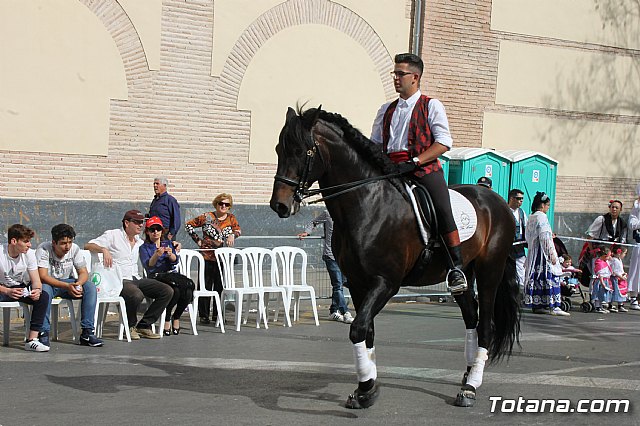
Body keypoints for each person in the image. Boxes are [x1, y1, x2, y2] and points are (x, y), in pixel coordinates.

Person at [370, 52, 466, 294]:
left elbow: (444, 142)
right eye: (395, 73)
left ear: (415, 77)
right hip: (391, 169)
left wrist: (415, 161)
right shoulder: (386, 109)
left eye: (400, 74)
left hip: (423, 169)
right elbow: (374, 144)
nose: (396, 78)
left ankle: (456, 267)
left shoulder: (431, 105)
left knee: (442, 207)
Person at [84, 210, 174, 339]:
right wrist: (103, 250)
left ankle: (144, 325)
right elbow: (88, 245)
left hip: (136, 278)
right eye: (137, 222)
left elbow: (156, 244)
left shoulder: (139, 242)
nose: (140, 225)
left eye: (142, 222)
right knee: (136, 294)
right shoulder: (113, 235)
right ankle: (130, 326)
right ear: (127, 223)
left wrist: (174, 245)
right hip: (119, 280)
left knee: (167, 291)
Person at [36, 224, 103, 347]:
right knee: (44, 290)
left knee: (90, 287)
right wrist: (67, 286)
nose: (67, 247)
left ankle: (87, 332)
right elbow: (43, 276)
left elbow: (83, 272)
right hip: (49, 283)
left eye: (70, 242)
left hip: (68, 282)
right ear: (54, 243)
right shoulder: (44, 249)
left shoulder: (74, 249)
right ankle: (43, 332)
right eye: (63, 243)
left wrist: (78, 284)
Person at [185, 193, 241, 324]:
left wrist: (233, 234)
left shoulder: (231, 218)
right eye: (221, 203)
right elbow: (188, 225)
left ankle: (218, 315)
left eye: (226, 204)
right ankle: (204, 315)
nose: (223, 206)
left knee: (220, 287)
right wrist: (198, 241)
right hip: (207, 256)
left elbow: (238, 230)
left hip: (222, 257)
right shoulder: (207, 217)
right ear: (216, 204)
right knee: (205, 286)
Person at [0, 224, 51, 351]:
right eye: (26, 241)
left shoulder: (29, 254)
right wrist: (6, 290)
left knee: (43, 296)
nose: (29, 245)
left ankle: (32, 339)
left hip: (18, 288)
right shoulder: (1, 253)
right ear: (13, 241)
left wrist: (37, 291)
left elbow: (36, 281)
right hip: (2, 289)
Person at [297, 209, 354, 324]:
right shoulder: (328, 213)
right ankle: (345, 312)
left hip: (343, 256)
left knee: (341, 284)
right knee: (338, 285)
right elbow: (313, 222)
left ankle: (333, 311)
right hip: (331, 255)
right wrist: (307, 232)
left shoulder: (348, 214)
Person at [139, 216, 193, 335]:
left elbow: (175, 260)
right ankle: (167, 318)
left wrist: (170, 254)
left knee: (188, 288)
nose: (155, 232)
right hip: (156, 276)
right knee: (175, 290)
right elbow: (149, 266)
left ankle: (177, 316)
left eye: (158, 229)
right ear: (147, 232)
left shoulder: (167, 243)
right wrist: (156, 255)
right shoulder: (144, 247)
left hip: (170, 274)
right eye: (152, 230)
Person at [523, 192, 569, 316]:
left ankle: (538, 305)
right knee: (550, 276)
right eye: (547, 205)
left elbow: (528, 236)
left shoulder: (532, 216)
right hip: (542, 254)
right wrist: (551, 254)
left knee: (537, 277)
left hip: (534, 252)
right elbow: (545, 237)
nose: (548, 207)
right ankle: (553, 305)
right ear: (542, 205)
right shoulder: (542, 217)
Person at [579, 200, 627, 287]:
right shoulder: (601, 219)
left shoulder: (622, 223)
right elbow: (590, 236)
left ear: (621, 209)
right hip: (599, 252)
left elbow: (622, 240)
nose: (614, 209)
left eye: (617, 208)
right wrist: (592, 251)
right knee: (597, 274)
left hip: (612, 253)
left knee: (611, 275)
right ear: (609, 208)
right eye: (612, 207)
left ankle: (607, 295)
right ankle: (593, 297)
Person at [149, 176, 181, 241]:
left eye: (157, 184)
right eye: (154, 184)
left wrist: (172, 233)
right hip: (154, 233)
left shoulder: (170, 200)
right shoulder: (155, 200)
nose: (155, 186)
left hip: (166, 235)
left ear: (164, 185)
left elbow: (176, 219)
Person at [507, 189, 527, 289]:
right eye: (518, 198)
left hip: (519, 246)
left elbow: (526, 227)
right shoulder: (505, 211)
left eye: (522, 199)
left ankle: (521, 292)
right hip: (507, 247)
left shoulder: (522, 212)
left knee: (521, 269)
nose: (521, 201)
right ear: (511, 198)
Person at [627, 184, 640, 310]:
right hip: (639, 244)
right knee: (636, 270)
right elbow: (632, 224)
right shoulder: (636, 209)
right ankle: (633, 296)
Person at [591, 246, 613, 314]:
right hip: (600, 281)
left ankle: (601, 306)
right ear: (604, 256)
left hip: (605, 280)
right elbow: (600, 275)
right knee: (599, 293)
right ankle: (597, 307)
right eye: (608, 256)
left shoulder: (605, 261)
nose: (609, 258)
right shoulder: (599, 262)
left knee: (603, 294)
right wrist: (602, 283)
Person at [608, 245, 628, 312]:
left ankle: (620, 305)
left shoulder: (619, 260)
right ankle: (610, 305)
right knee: (614, 291)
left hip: (621, 278)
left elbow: (620, 269)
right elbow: (613, 271)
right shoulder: (614, 260)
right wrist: (620, 276)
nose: (625, 255)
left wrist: (624, 273)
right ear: (619, 253)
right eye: (624, 253)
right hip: (615, 279)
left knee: (622, 292)